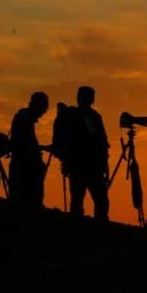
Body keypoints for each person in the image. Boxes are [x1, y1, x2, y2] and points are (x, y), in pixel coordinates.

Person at [52, 86, 111, 221]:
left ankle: (91, 225)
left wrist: (104, 164)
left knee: (92, 199)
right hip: (81, 165)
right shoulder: (77, 116)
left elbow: (102, 143)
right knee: (84, 199)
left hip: (88, 165)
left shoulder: (92, 116)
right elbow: (101, 142)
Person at [9, 92, 50, 209]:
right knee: (29, 202)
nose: (43, 112)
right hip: (25, 167)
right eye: (43, 108)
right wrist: (42, 149)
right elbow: (26, 144)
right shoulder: (25, 119)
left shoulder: (23, 117)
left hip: (21, 165)